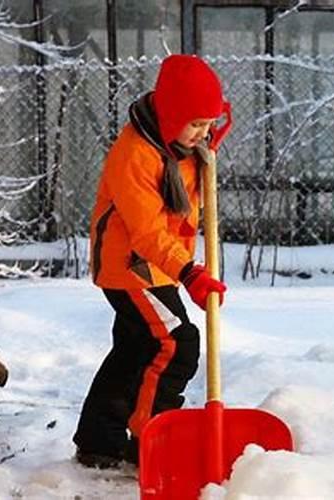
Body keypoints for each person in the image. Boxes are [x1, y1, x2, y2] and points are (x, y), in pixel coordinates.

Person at [72, 54, 228, 469]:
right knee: (177, 343)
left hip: (157, 265)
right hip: (133, 267)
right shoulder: (136, 156)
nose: (203, 132)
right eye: (195, 123)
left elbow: (179, 216)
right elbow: (147, 232)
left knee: (133, 350)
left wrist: (203, 139)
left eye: (209, 123)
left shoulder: (182, 146)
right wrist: (189, 272)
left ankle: (98, 441)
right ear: (170, 113)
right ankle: (150, 436)